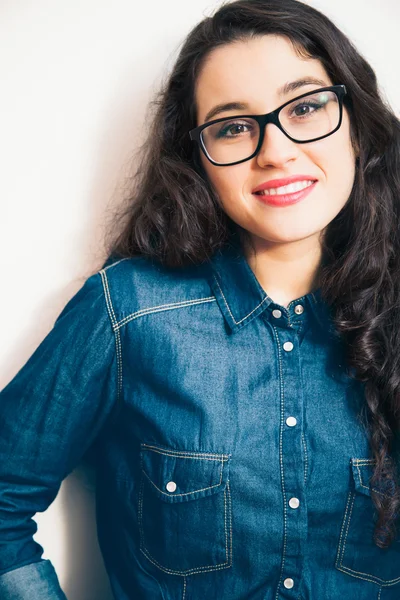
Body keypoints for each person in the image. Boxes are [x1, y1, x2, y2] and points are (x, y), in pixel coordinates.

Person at [1, 0, 400, 598]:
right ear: (199, 159)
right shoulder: (128, 311)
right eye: (234, 125)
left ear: (356, 122)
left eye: (307, 105)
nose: (276, 150)